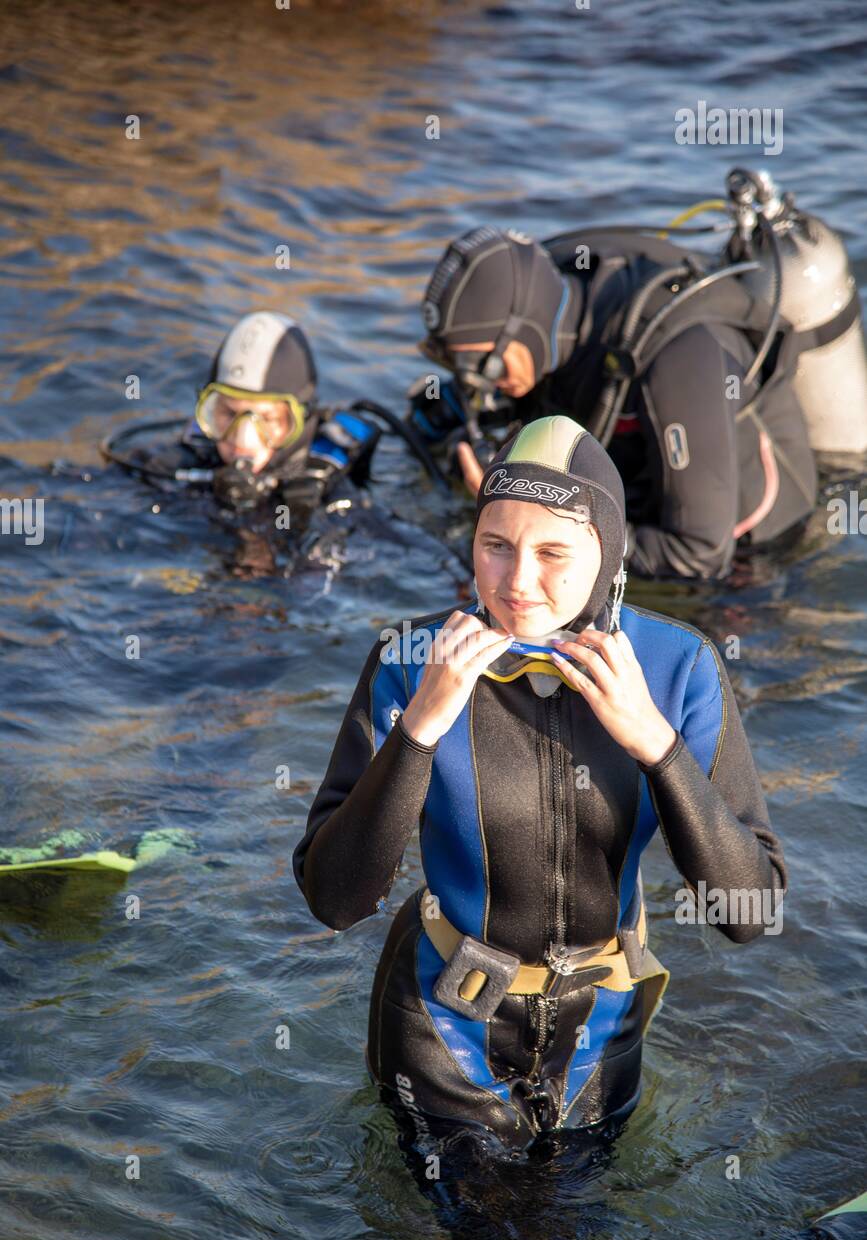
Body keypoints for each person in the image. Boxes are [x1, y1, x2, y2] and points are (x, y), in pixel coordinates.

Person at [293, 415, 787, 1157]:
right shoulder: (409, 659)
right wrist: (422, 726)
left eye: (552, 551)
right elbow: (333, 901)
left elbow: (748, 911)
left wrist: (654, 744)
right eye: (495, 546)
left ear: (606, 555)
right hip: (441, 1018)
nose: (517, 582)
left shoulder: (679, 667)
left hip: (604, 1021)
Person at [408, 219, 820, 581]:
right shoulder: (556, 312)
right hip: (635, 497)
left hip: (754, 569)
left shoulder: (678, 360)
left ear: (524, 327)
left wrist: (524, 503)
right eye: (456, 364)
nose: (480, 381)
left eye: (483, 364)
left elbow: (698, 557)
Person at [106, 311, 381, 574]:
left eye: (267, 419)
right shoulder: (178, 465)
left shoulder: (331, 493)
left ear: (303, 418)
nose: (243, 439)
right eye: (229, 414)